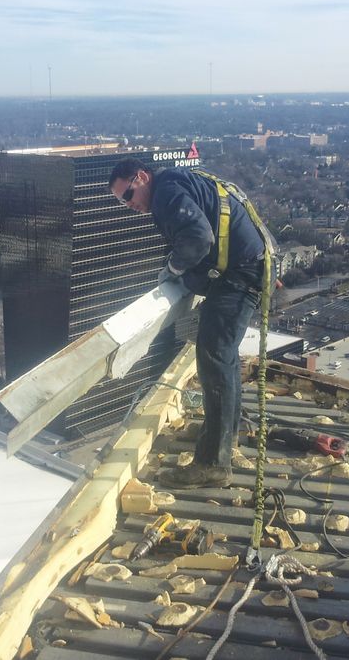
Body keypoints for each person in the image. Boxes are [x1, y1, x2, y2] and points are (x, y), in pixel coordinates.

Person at [109, 159, 273, 489]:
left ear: (141, 177)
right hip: (248, 267)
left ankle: (213, 464)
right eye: (122, 202)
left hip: (240, 275)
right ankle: (230, 427)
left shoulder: (166, 191)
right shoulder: (181, 181)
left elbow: (199, 238)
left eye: (128, 195)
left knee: (214, 356)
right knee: (222, 357)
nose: (129, 205)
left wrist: (175, 268)